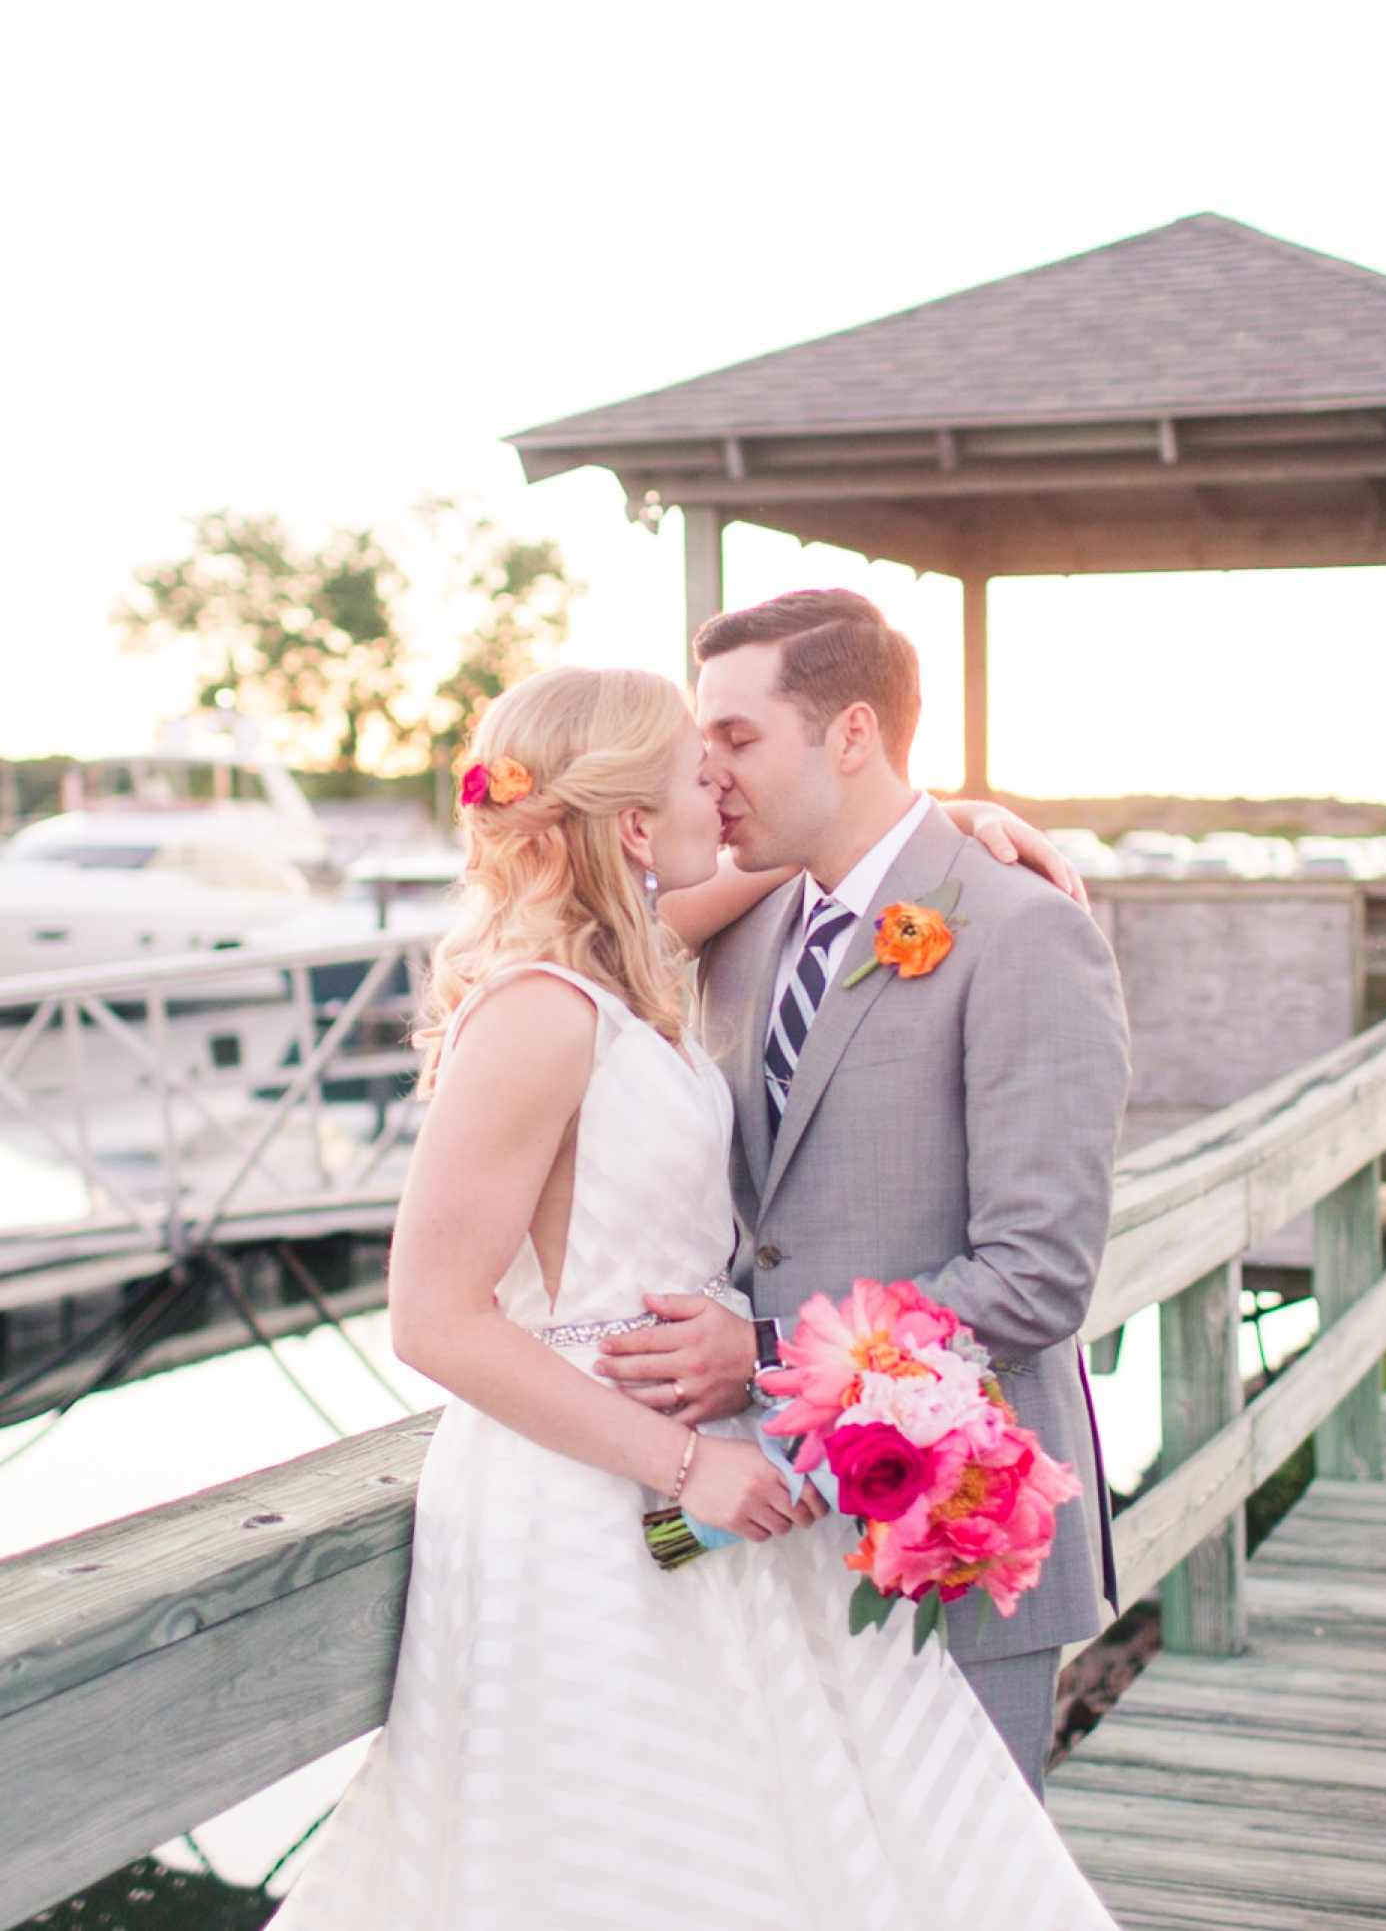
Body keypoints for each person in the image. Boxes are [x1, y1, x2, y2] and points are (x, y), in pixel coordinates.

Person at [272, 663, 1116, 1930]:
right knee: (623, 1856)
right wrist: (683, 1466)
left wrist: (969, 831)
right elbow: (433, 1319)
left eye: (727, 752)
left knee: (778, 1840)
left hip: (706, 1480)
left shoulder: (630, 965)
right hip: (588, 1490)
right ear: (627, 819)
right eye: (690, 762)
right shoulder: (538, 1012)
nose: (715, 784)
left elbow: (833, 858)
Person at [597, 591, 1131, 1798]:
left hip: (958, 1528)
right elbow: (565, 928)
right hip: (763, 1537)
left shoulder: (1018, 929)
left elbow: (1037, 1274)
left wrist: (768, 1352)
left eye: (737, 739)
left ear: (849, 734)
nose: (709, 771)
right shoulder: (743, 921)